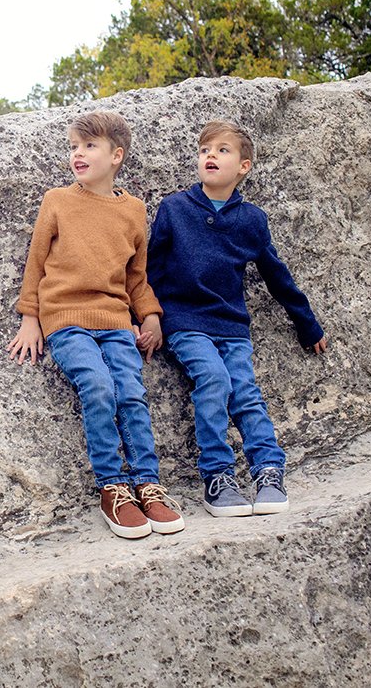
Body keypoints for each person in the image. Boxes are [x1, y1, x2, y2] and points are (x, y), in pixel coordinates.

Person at [8, 110, 184, 539]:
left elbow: (136, 277)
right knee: (99, 387)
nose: (78, 154)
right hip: (65, 318)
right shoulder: (58, 200)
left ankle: (147, 483)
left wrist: (152, 315)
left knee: (131, 393)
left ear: (116, 155)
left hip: (116, 321)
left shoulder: (134, 210)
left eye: (89, 146)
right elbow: (35, 262)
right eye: (73, 147)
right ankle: (113, 487)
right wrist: (30, 318)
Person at [147, 120, 327, 517]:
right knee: (213, 379)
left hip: (231, 325)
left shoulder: (252, 220)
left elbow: (277, 276)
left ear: (244, 166)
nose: (210, 155)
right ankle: (218, 476)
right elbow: (150, 269)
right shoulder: (174, 208)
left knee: (245, 392)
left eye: (222, 150)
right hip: (185, 320)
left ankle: (268, 469)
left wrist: (306, 323)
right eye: (204, 150)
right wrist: (149, 317)